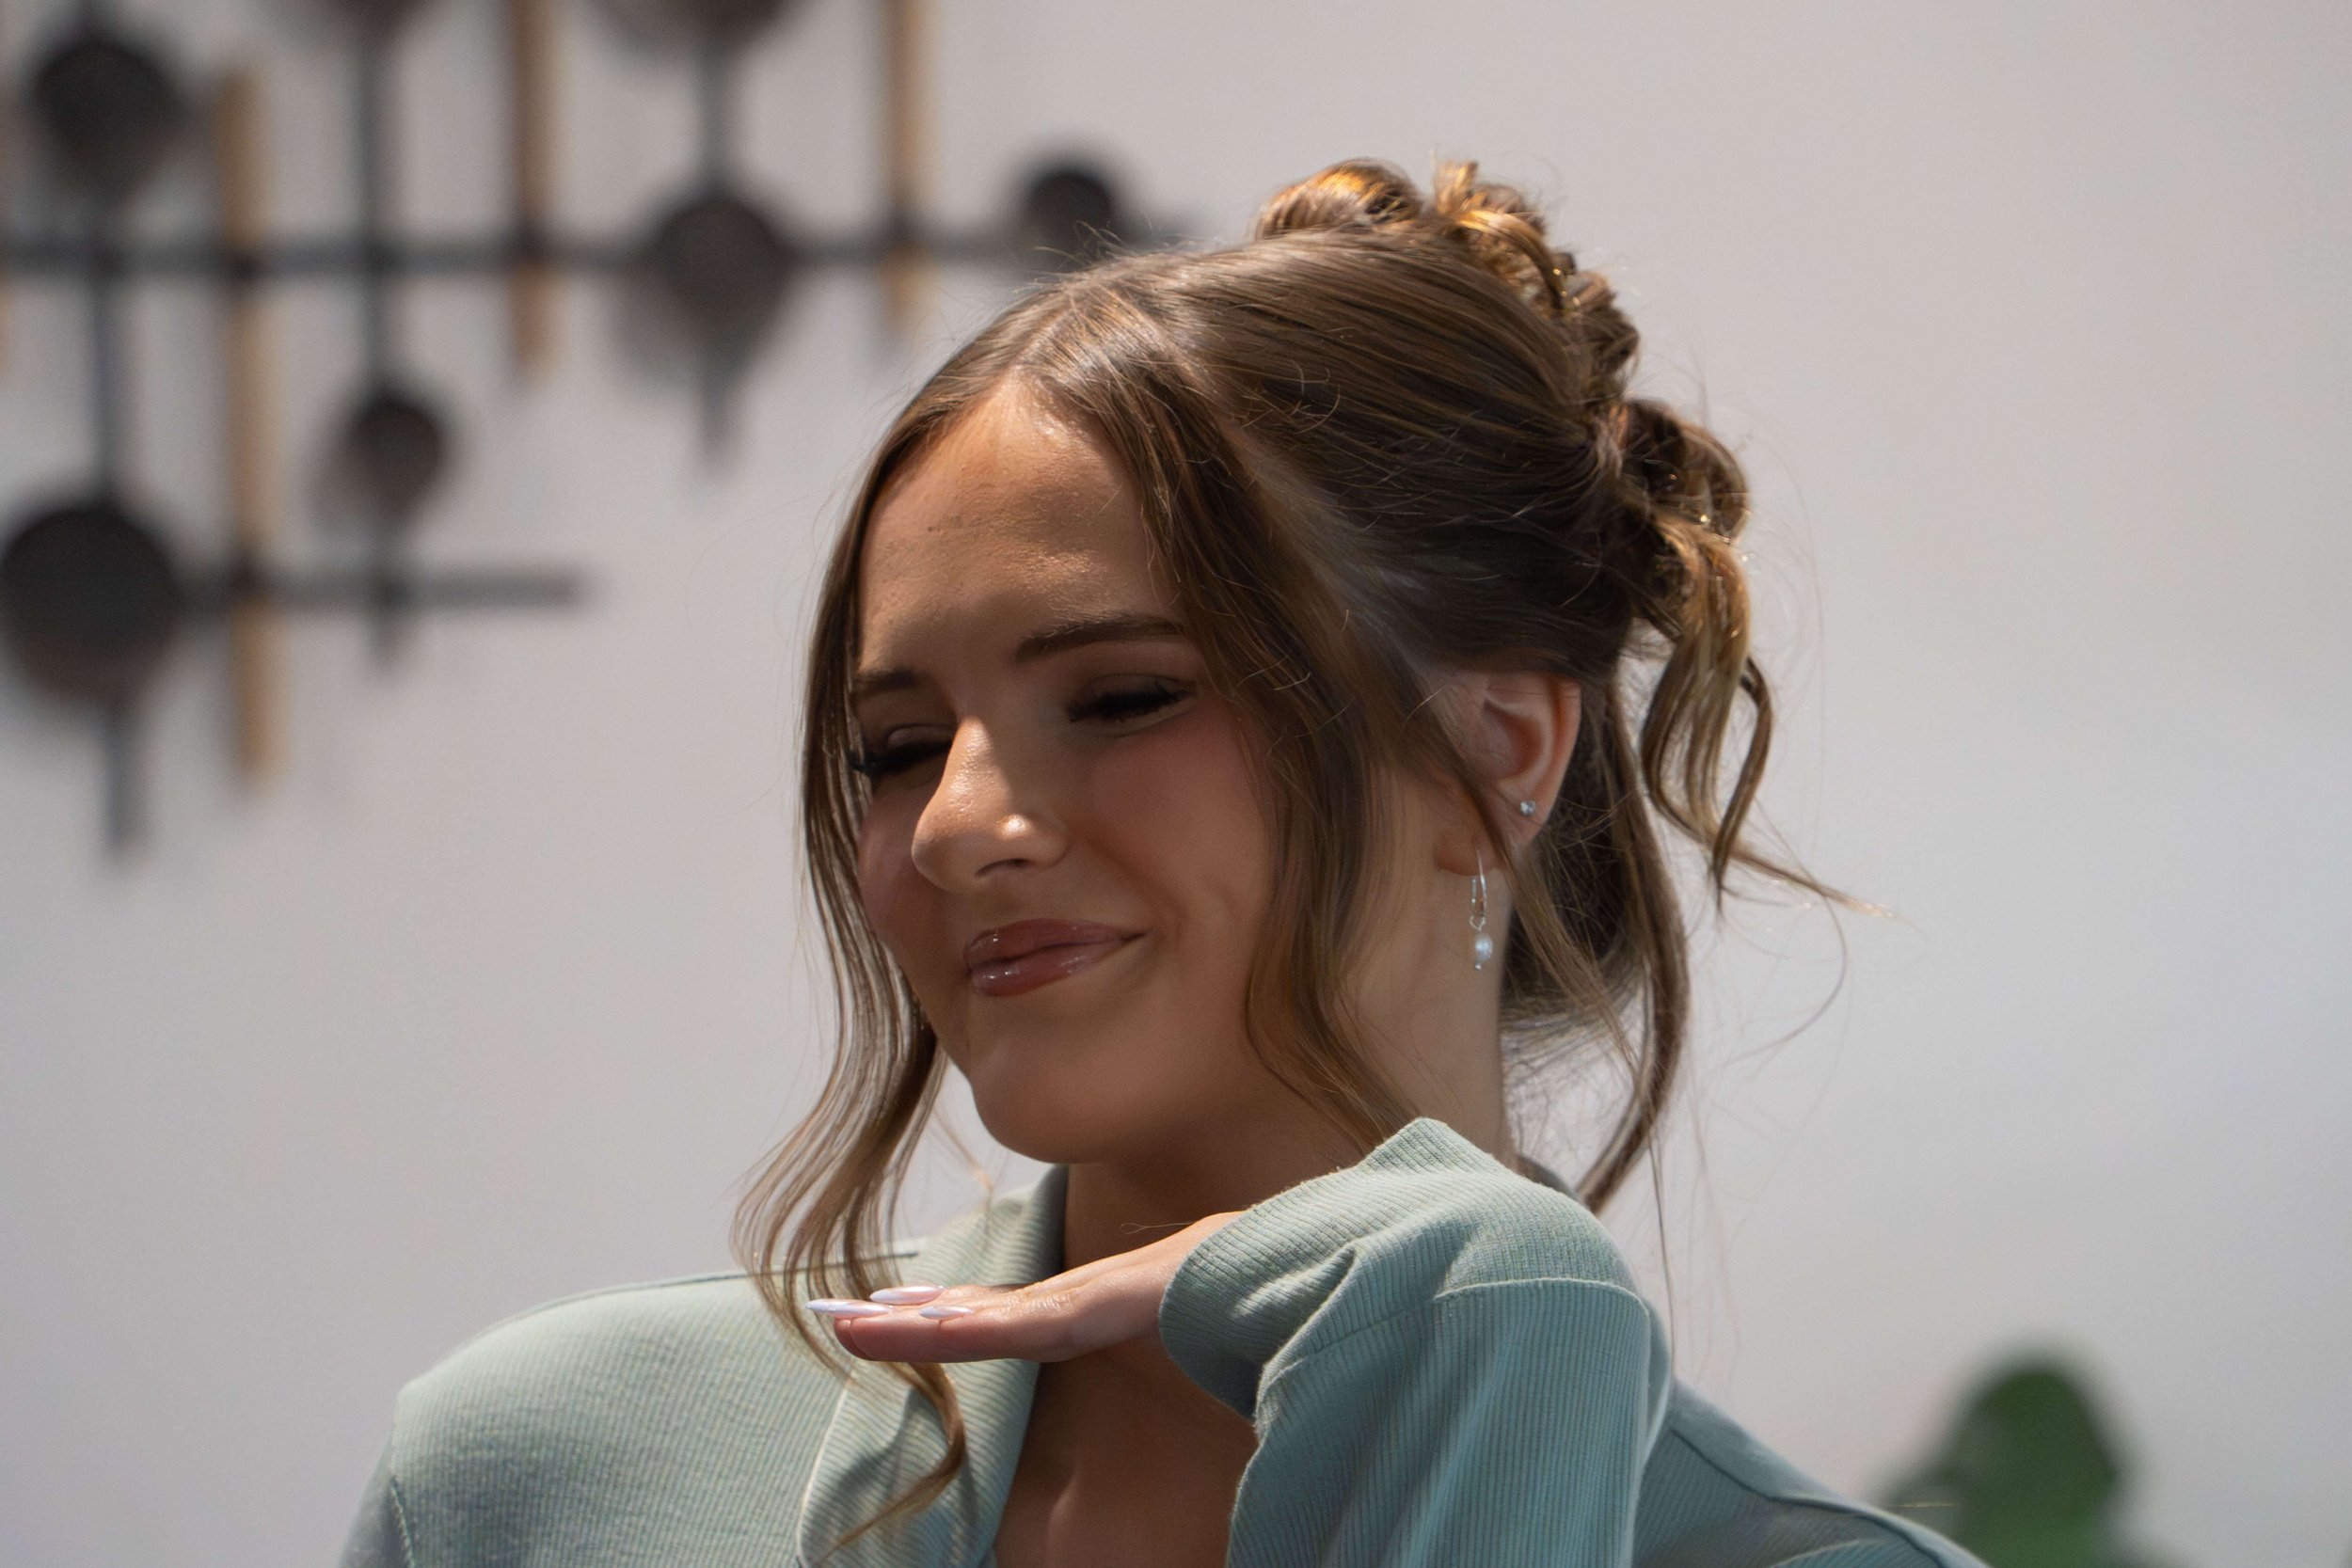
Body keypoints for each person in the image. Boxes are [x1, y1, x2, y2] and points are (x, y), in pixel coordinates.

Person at [340, 159, 1982, 1568]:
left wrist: (1499, 1355)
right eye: (897, 746)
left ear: (1494, 752)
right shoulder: (541, 1482)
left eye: (1122, 697)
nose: (961, 823)